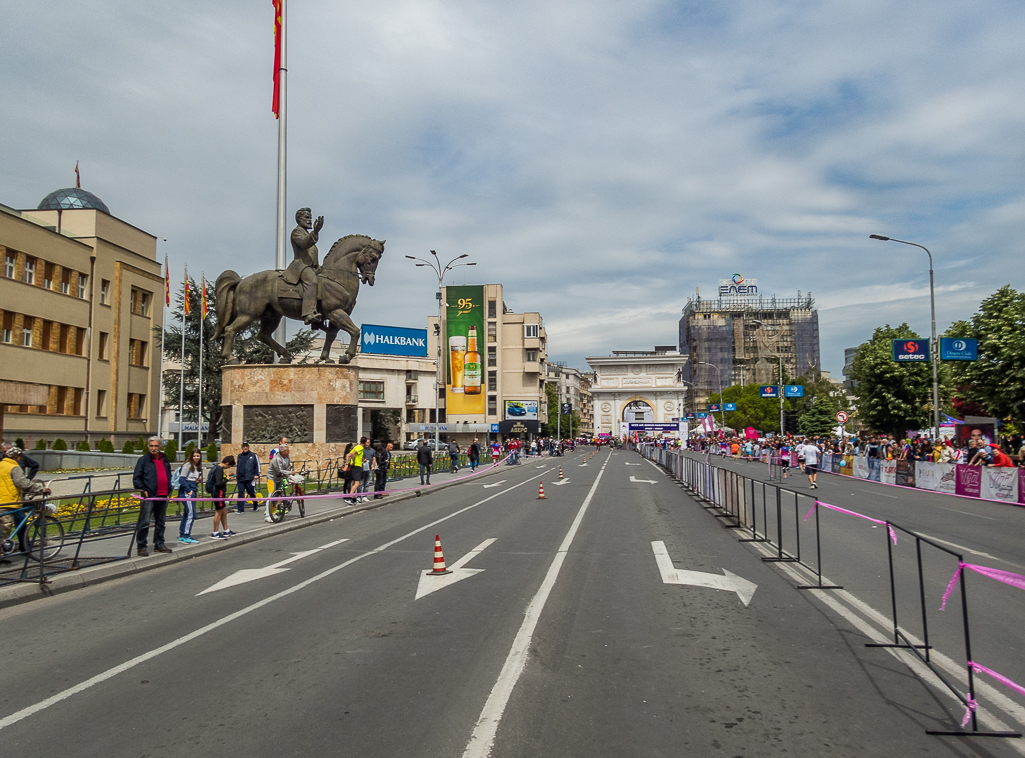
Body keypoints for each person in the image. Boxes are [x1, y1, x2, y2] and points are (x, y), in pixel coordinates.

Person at [0, 446, 51, 563]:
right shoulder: (14, 467)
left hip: (2, 500)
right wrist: (40, 489)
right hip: (8, 502)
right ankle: (2, 555)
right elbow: (22, 482)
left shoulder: (1, 464)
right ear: (17, 456)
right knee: (5, 530)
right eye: (20, 457)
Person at [132, 437, 173, 556]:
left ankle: (159, 544)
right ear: (148, 447)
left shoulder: (164, 458)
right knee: (144, 522)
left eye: (156, 446)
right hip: (149, 496)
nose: (153, 448)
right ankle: (141, 546)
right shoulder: (143, 460)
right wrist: (143, 490)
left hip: (162, 495)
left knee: (160, 522)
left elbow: (168, 474)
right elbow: (137, 477)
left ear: (160, 446)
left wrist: (169, 489)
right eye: (151, 446)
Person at [283, 207, 324, 324]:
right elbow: (304, 243)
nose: (310, 220)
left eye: (310, 218)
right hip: (301, 266)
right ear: (299, 219)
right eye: (306, 218)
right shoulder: (297, 232)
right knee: (311, 281)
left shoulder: (306, 233)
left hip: (311, 267)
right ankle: (308, 313)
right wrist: (315, 232)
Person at [177, 449, 203, 545]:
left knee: (187, 513)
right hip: (187, 492)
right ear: (191, 456)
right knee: (192, 514)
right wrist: (189, 490)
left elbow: (191, 478)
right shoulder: (187, 465)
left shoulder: (196, 467)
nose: (196, 458)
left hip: (193, 488)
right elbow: (182, 479)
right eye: (195, 456)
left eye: (198, 456)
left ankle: (183, 534)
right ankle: (186, 535)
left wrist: (196, 481)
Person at [207, 455, 236, 539]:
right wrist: (227, 479)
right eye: (229, 466)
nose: (228, 467)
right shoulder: (219, 469)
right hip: (218, 492)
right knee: (218, 511)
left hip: (220, 492)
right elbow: (218, 483)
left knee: (224, 510)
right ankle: (215, 532)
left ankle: (226, 530)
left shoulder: (217, 468)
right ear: (227, 463)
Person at [266, 443, 293, 521]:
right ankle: (268, 515)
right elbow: (279, 471)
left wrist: (289, 475)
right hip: (272, 478)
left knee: (276, 496)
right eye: (287, 451)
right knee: (271, 496)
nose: (289, 452)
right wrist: (290, 473)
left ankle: (273, 513)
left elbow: (287, 467)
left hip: (279, 478)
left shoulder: (287, 457)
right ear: (282, 452)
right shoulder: (276, 459)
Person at [235, 441, 260, 513]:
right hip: (241, 478)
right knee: (240, 494)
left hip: (249, 478)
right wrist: (237, 475)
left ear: (248, 447)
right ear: (242, 447)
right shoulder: (240, 456)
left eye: (246, 446)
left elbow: (256, 465)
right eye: (244, 446)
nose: (245, 447)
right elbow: (238, 466)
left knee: (251, 493)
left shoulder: (253, 455)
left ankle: (255, 506)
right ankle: (240, 509)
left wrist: (256, 474)